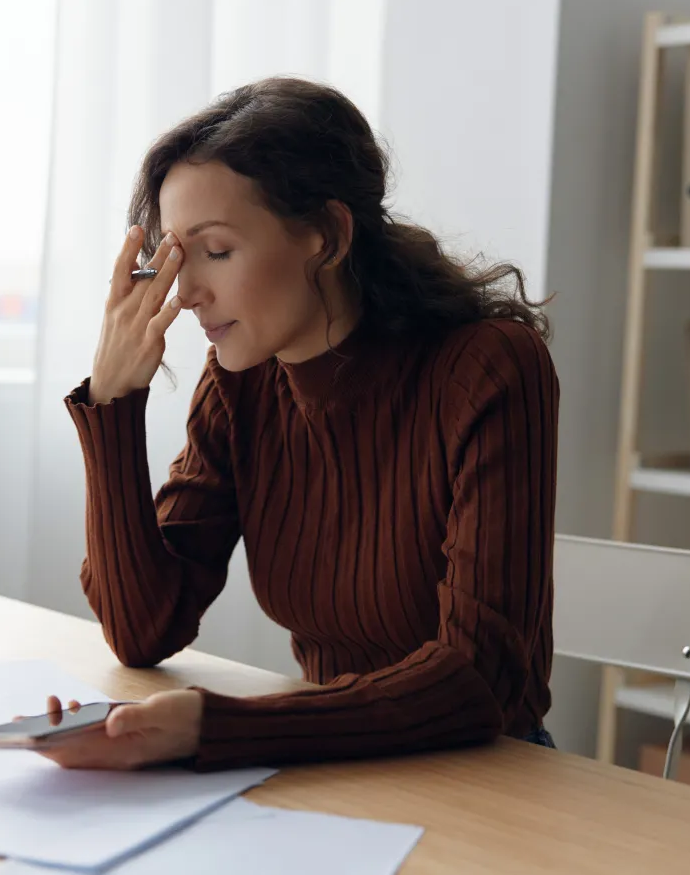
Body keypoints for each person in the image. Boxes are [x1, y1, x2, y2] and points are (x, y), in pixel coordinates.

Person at [39, 77, 558, 772]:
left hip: (489, 779)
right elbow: (143, 628)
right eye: (173, 258)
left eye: (216, 250)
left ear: (328, 235)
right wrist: (112, 400)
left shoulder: (488, 369)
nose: (187, 293)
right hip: (329, 767)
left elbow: (478, 680)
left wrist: (215, 727)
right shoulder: (241, 383)